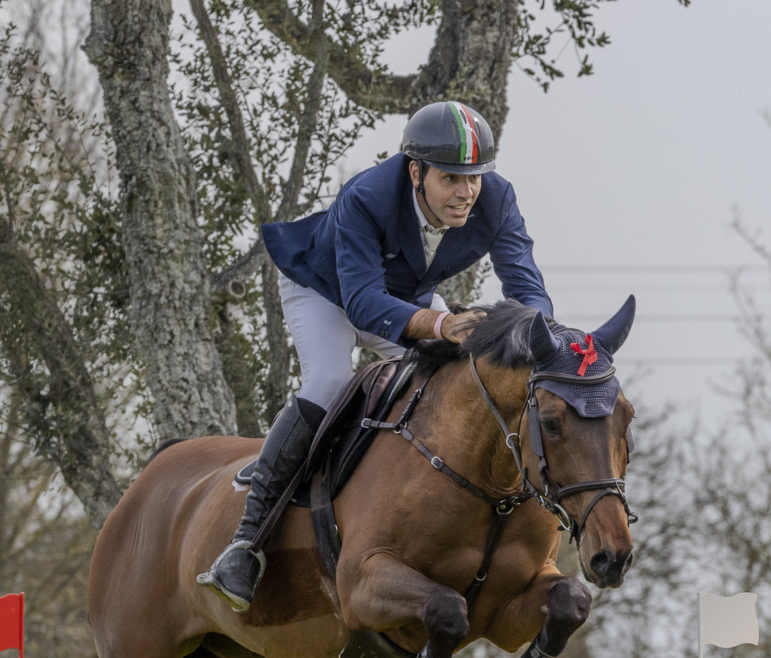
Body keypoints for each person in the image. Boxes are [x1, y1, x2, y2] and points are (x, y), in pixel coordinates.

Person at [201, 100, 556, 611]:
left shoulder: (496, 198)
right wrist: (440, 324)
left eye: (474, 177)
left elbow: (526, 284)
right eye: (451, 179)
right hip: (324, 292)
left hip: (405, 299)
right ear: (416, 173)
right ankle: (245, 545)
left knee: (460, 375)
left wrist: (543, 338)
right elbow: (363, 303)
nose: (466, 192)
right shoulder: (367, 196)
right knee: (328, 382)